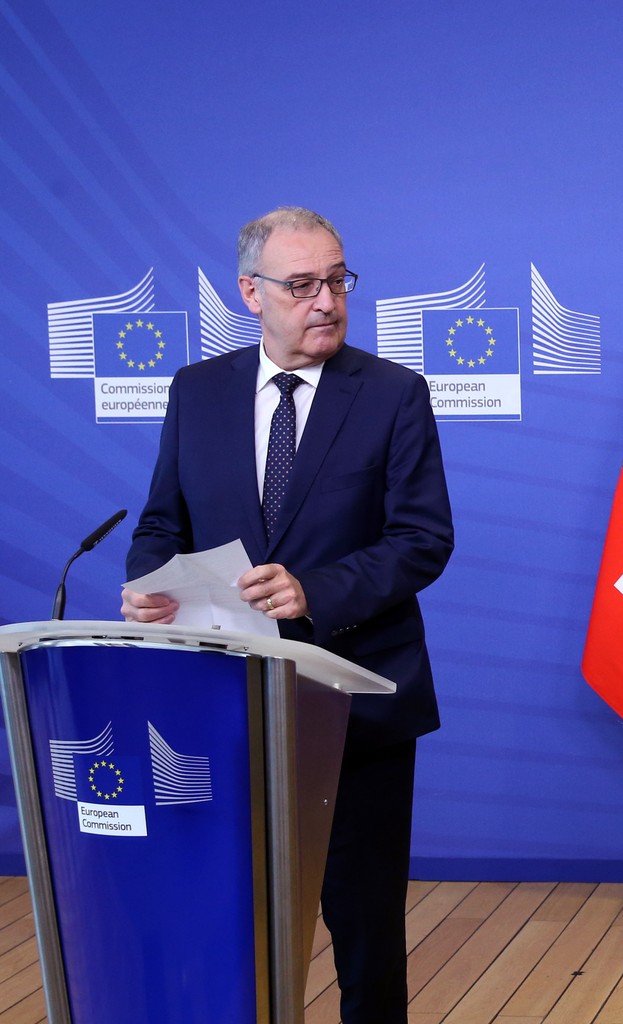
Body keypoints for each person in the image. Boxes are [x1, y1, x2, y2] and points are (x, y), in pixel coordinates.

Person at [121, 206, 454, 1023]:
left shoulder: (393, 395)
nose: (327, 302)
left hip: (355, 704)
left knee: (364, 924)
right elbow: (162, 522)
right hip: (220, 710)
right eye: (302, 285)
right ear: (250, 292)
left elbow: (423, 540)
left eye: (338, 281)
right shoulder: (197, 392)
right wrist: (148, 583)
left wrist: (316, 590)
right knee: (225, 910)